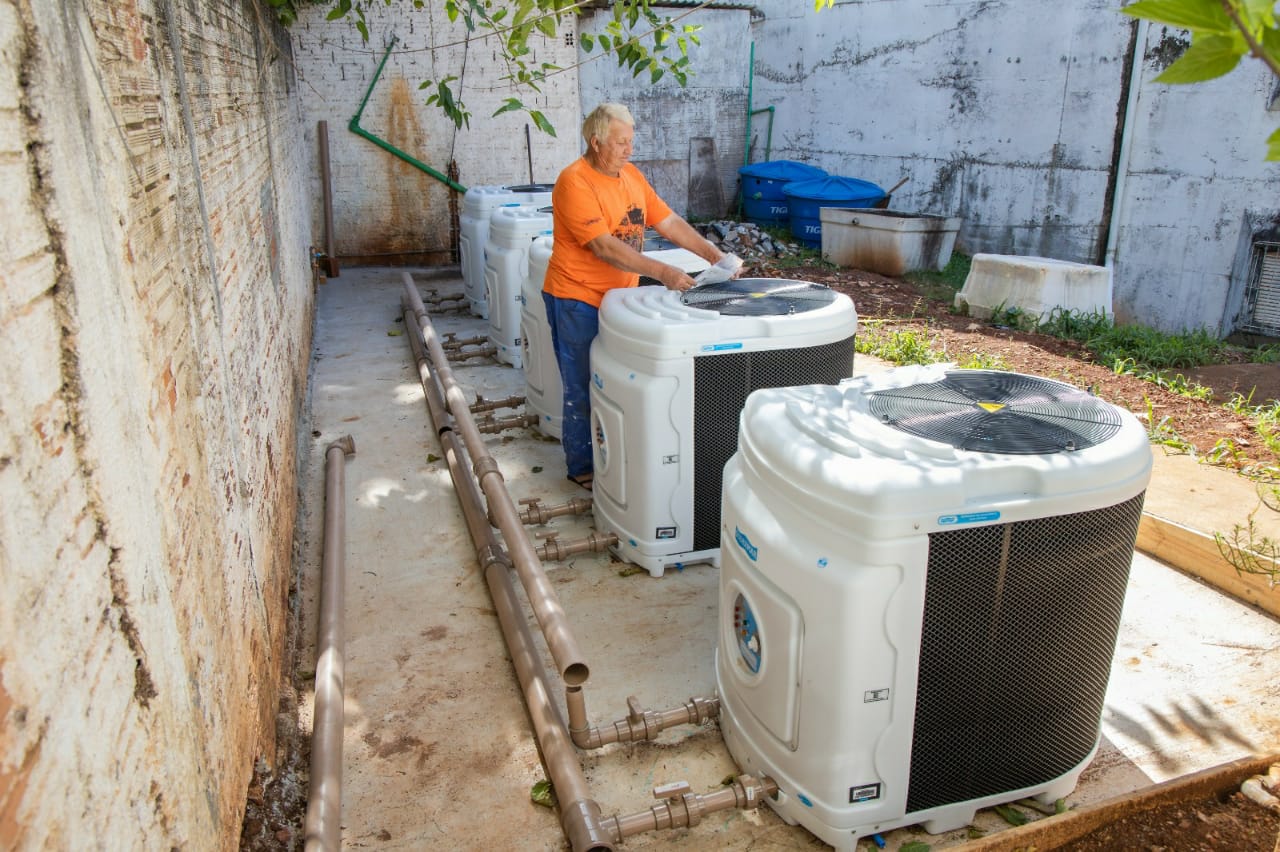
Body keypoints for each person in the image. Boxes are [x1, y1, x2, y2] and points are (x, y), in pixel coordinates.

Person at [542, 103, 725, 491]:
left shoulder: (631, 176)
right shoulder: (574, 182)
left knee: (615, 383)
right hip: (577, 298)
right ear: (595, 143)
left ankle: (616, 458)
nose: (629, 150)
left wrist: (714, 255)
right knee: (581, 386)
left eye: (631, 142)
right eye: (620, 142)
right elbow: (604, 247)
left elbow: (669, 221)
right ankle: (583, 469)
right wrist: (662, 272)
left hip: (620, 300)